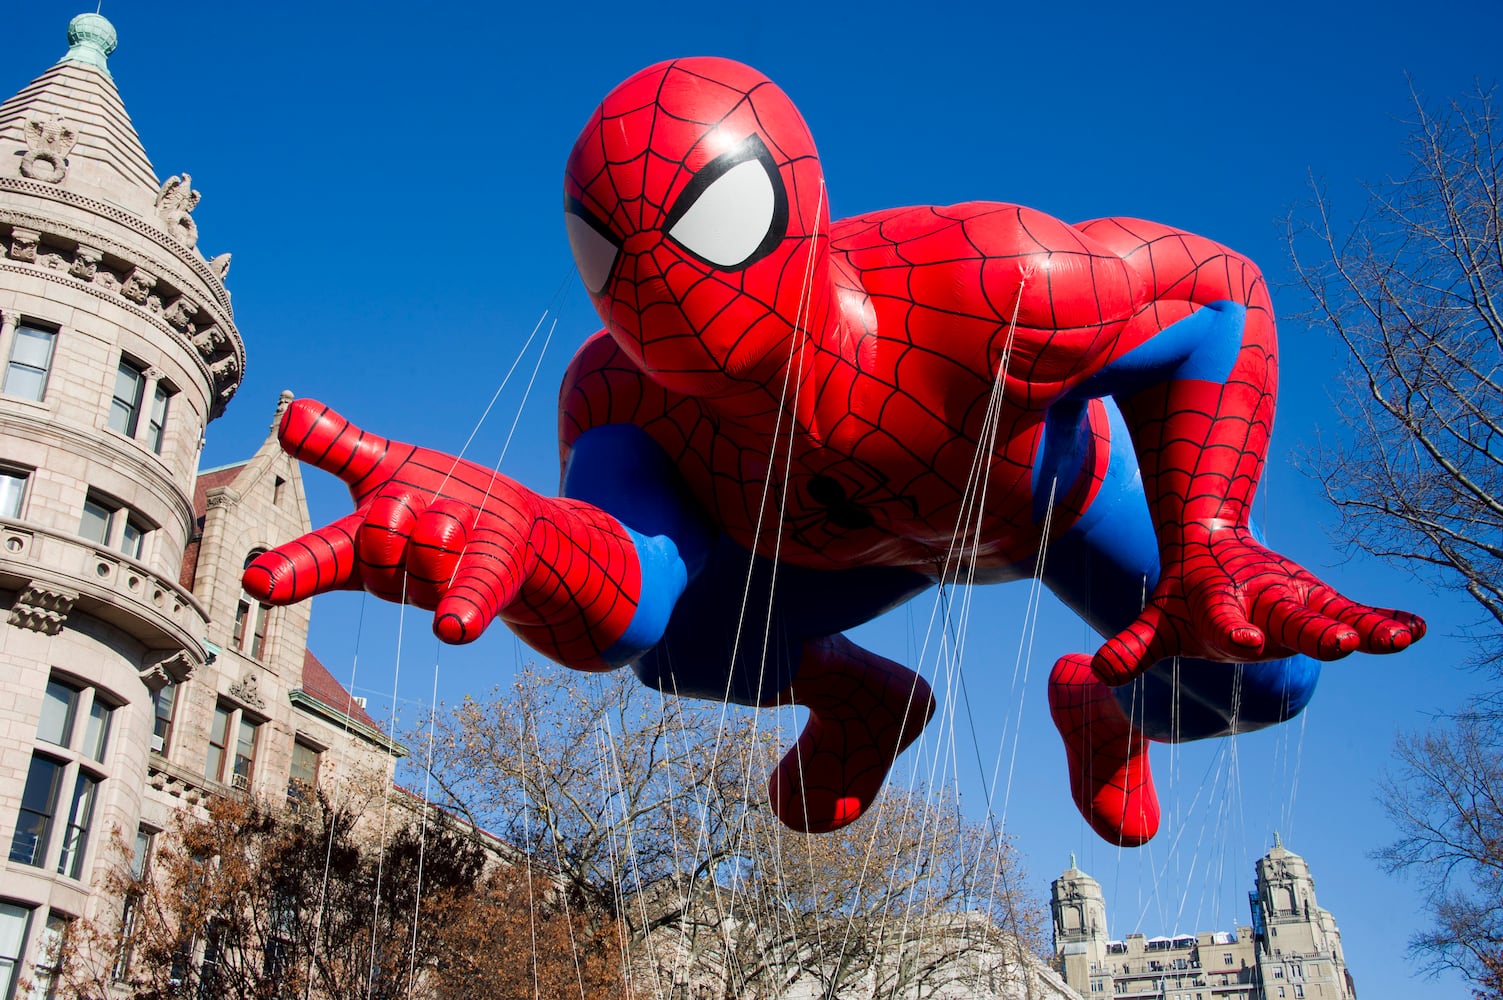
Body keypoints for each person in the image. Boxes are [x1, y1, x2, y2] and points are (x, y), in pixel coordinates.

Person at [245, 57, 1423, 845]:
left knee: (1265, 674)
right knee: (677, 643)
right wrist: (518, 531)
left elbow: (1221, 298)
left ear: (791, 203)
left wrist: (1209, 535)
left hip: (1043, 504)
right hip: (833, 553)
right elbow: (626, 588)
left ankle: (1104, 705)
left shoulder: (993, 282)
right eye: (624, 261)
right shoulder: (619, 397)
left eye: (700, 231)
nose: (679, 300)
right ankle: (860, 694)